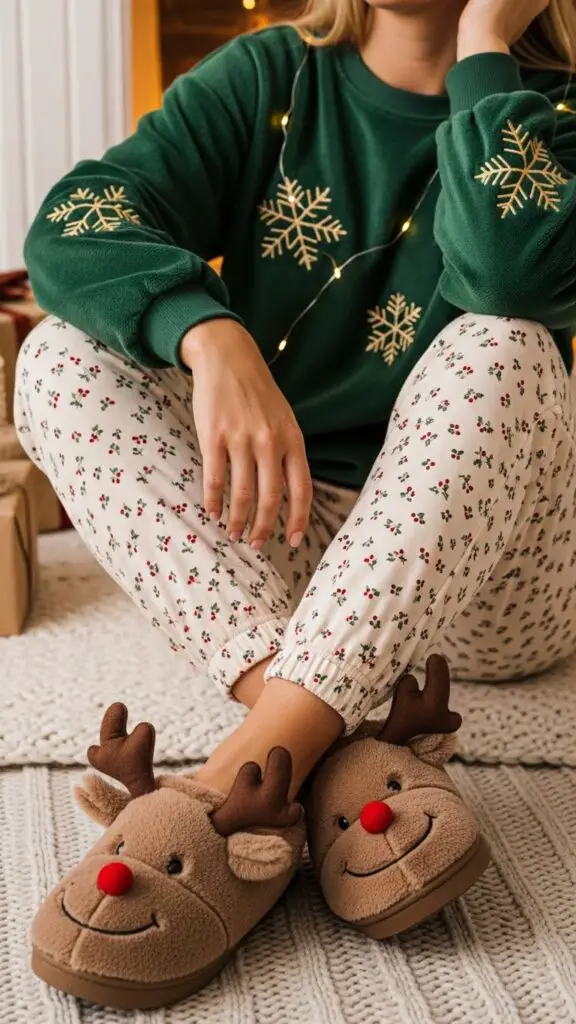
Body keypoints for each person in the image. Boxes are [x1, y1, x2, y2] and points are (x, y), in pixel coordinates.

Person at [15, 0, 576, 1002]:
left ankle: (243, 773)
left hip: (489, 596)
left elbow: (510, 272)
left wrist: (487, 43)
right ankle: (331, 753)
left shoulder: (555, 113)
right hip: (281, 542)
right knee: (61, 357)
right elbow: (72, 223)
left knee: (505, 344)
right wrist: (206, 331)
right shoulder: (273, 77)